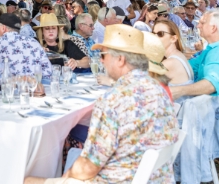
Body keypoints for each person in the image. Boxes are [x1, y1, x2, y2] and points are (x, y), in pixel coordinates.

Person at [25, 24, 178, 184]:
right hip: (156, 178)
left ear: (120, 59)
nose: (101, 60)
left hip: (119, 179)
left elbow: (88, 168)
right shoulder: (158, 89)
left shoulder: (113, 100)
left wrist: (65, 177)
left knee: (26, 181)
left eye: (103, 55)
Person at [170, 9, 219, 129]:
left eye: (202, 23)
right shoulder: (216, 49)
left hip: (216, 119)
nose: (198, 25)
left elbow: (211, 85)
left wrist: (178, 90)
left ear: (213, 28)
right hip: (213, 112)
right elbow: (188, 66)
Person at [0, 13, 52, 79]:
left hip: (5, 88)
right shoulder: (33, 42)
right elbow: (48, 71)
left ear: (3, 28)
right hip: (33, 87)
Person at [152, 19, 194, 88]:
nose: (155, 37)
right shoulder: (178, 55)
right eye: (153, 34)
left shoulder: (169, 63)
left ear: (173, 39)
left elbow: (146, 86)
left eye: (160, 34)